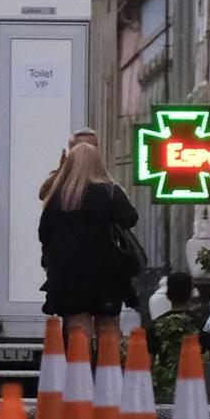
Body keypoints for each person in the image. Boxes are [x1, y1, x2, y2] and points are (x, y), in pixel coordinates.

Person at [39, 142, 139, 339]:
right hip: (106, 274)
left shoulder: (58, 197)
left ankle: (80, 366)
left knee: (78, 328)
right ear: (98, 164)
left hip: (68, 275)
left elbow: (43, 233)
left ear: (71, 165)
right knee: (108, 329)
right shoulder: (110, 192)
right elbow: (130, 219)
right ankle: (106, 366)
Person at [39, 127, 101, 202]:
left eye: (94, 147)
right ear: (72, 150)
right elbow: (43, 194)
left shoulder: (101, 175)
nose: (91, 152)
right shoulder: (64, 175)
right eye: (85, 148)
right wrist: (62, 169)